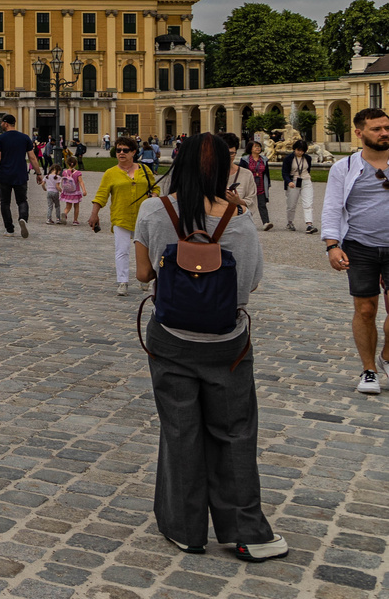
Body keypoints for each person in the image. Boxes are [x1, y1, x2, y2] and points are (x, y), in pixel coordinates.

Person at [133, 133, 282, 563]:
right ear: (225, 168)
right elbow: (249, 284)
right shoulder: (239, 220)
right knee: (235, 432)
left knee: (179, 430)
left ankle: (185, 529)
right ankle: (247, 532)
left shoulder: (153, 210)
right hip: (226, 342)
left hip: (172, 336)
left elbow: (143, 274)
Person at [322, 108, 389, 394]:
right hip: (359, 246)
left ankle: (386, 357)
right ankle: (369, 370)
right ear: (359, 133)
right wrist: (332, 246)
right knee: (365, 310)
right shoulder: (344, 168)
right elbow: (333, 208)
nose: (385, 133)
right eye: (377, 129)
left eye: (387, 127)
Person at [88, 134, 158, 296]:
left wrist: (154, 196)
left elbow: (155, 188)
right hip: (121, 216)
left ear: (134, 152)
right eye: (118, 150)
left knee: (147, 251)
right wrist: (94, 214)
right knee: (122, 250)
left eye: (125, 150)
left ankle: (145, 278)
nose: (121, 153)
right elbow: (101, 196)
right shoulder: (110, 173)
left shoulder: (145, 170)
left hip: (144, 217)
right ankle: (123, 281)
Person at [0, 116, 42, 239]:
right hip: (20, 174)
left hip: (5, 175)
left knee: (5, 202)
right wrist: (39, 173)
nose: (1, 125)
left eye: (2, 122)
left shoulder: (0, 138)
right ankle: (23, 218)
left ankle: (9, 229)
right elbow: (32, 157)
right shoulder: (24, 138)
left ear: (6, 123)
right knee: (22, 200)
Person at [283, 139, 316, 233]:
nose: (300, 152)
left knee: (308, 203)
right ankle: (290, 222)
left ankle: (309, 224)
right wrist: (289, 181)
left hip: (306, 180)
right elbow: (284, 172)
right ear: (294, 149)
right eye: (298, 150)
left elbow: (308, 169)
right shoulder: (288, 159)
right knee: (291, 204)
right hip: (293, 182)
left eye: (302, 151)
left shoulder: (307, 158)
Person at [245, 138, 273, 231]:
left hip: (260, 184)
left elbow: (267, 173)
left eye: (259, 147)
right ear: (250, 148)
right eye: (255, 146)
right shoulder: (245, 160)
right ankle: (245, 223)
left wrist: (268, 184)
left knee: (262, 204)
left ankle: (266, 222)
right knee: (248, 204)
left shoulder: (264, 159)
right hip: (249, 185)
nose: (258, 148)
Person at [58, 160, 86, 224]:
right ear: (76, 164)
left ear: (67, 164)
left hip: (67, 191)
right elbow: (81, 182)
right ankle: (75, 220)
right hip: (75, 192)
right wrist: (84, 190)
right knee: (76, 206)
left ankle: (64, 213)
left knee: (68, 206)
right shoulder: (78, 173)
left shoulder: (64, 172)